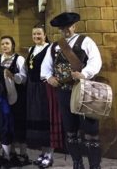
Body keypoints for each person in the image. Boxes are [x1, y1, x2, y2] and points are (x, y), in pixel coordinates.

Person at [41, 12, 102, 169]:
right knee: (70, 130)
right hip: (64, 92)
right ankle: (77, 163)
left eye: (68, 27)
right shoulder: (54, 45)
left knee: (90, 131)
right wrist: (49, 78)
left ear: (74, 26)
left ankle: (95, 166)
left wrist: (84, 73)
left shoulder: (86, 41)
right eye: (63, 28)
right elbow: (45, 67)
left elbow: (96, 60)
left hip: (85, 91)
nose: (66, 31)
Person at [26, 24, 62, 168]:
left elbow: (57, 67)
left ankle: (50, 155)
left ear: (45, 34)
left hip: (45, 88)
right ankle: (43, 153)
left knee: (47, 119)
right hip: (33, 89)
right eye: (34, 34)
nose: (36, 37)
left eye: (39, 34)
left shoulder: (52, 48)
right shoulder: (31, 49)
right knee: (38, 120)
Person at [0, 35, 28, 165]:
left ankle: (23, 153)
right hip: (3, 97)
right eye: (3, 44)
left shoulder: (19, 59)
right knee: (7, 125)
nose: (5, 46)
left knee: (19, 124)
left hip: (18, 96)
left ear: (12, 45)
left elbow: (24, 77)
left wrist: (13, 76)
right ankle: (10, 152)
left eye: (7, 43)